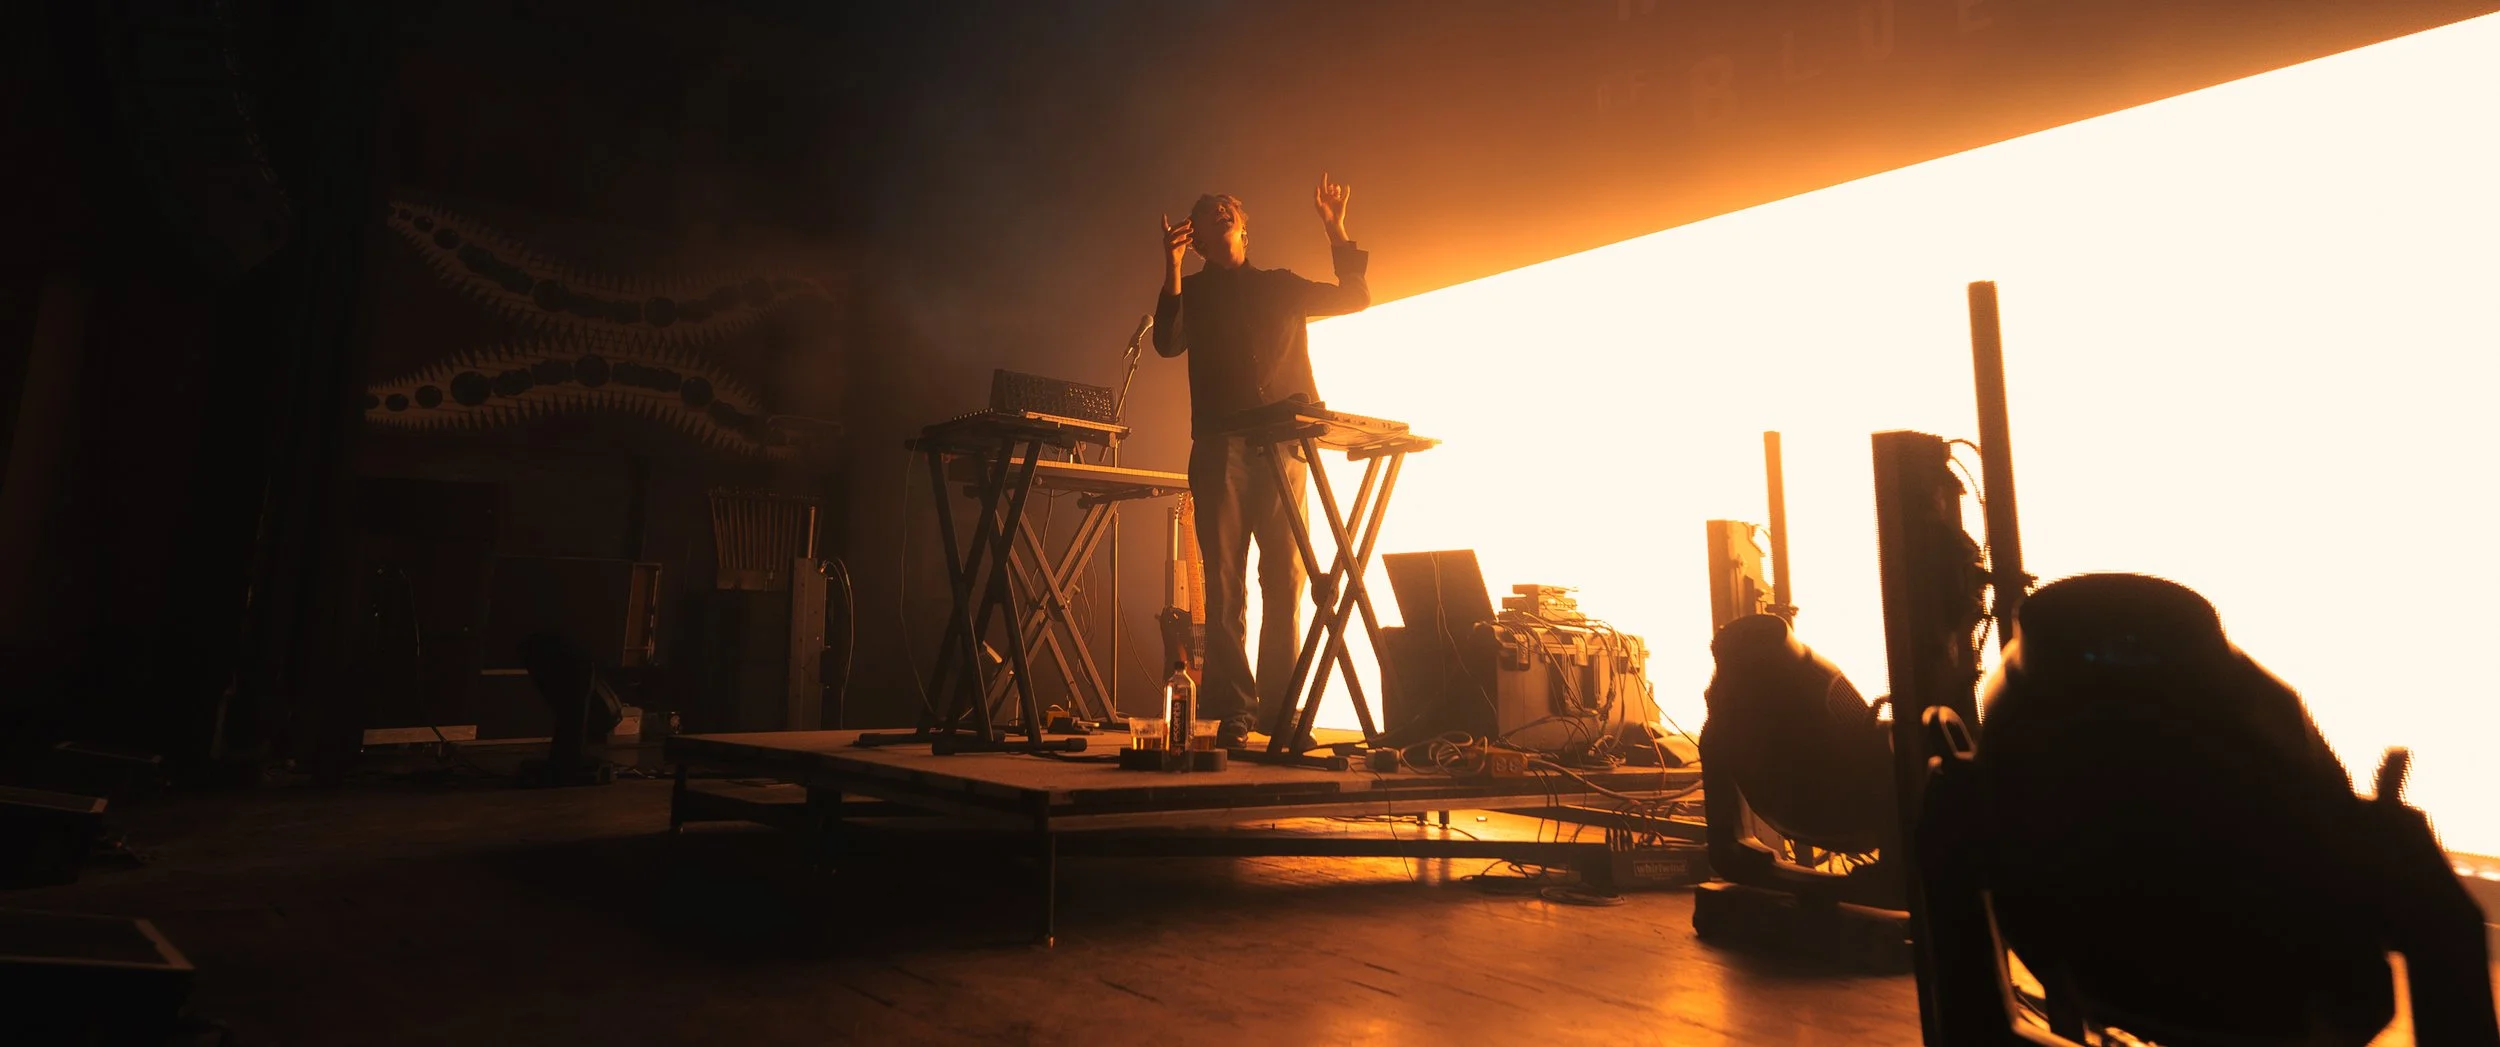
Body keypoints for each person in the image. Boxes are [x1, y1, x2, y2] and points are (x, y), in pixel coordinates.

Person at [1152, 174, 1370, 748]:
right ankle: (1233, 709)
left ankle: (1280, 710)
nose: (1220, 210)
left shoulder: (1279, 285)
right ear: (1197, 238)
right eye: (1208, 211)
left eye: (1228, 207)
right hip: (1221, 445)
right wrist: (1172, 269)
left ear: (1244, 228)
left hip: (1281, 447)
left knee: (1286, 578)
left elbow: (1354, 296)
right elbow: (1167, 342)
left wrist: (1336, 229)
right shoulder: (1194, 293)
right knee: (1224, 584)